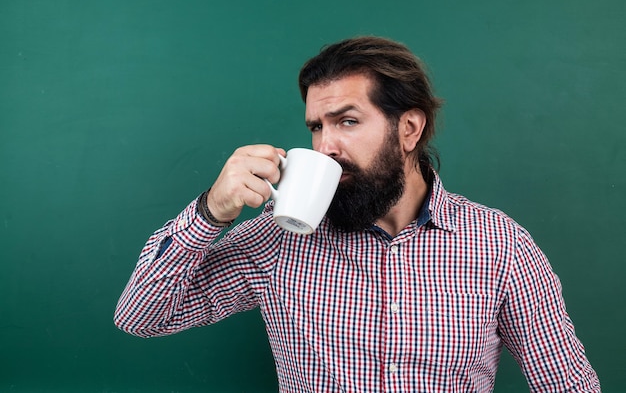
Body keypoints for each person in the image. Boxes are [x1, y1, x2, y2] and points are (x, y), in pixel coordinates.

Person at [115, 36, 600, 392]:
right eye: (316, 127)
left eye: (347, 121)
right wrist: (211, 213)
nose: (326, 147)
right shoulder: (279, 238)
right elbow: (141, 317)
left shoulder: (500, 245)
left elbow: (567, 384)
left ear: (408, 128)